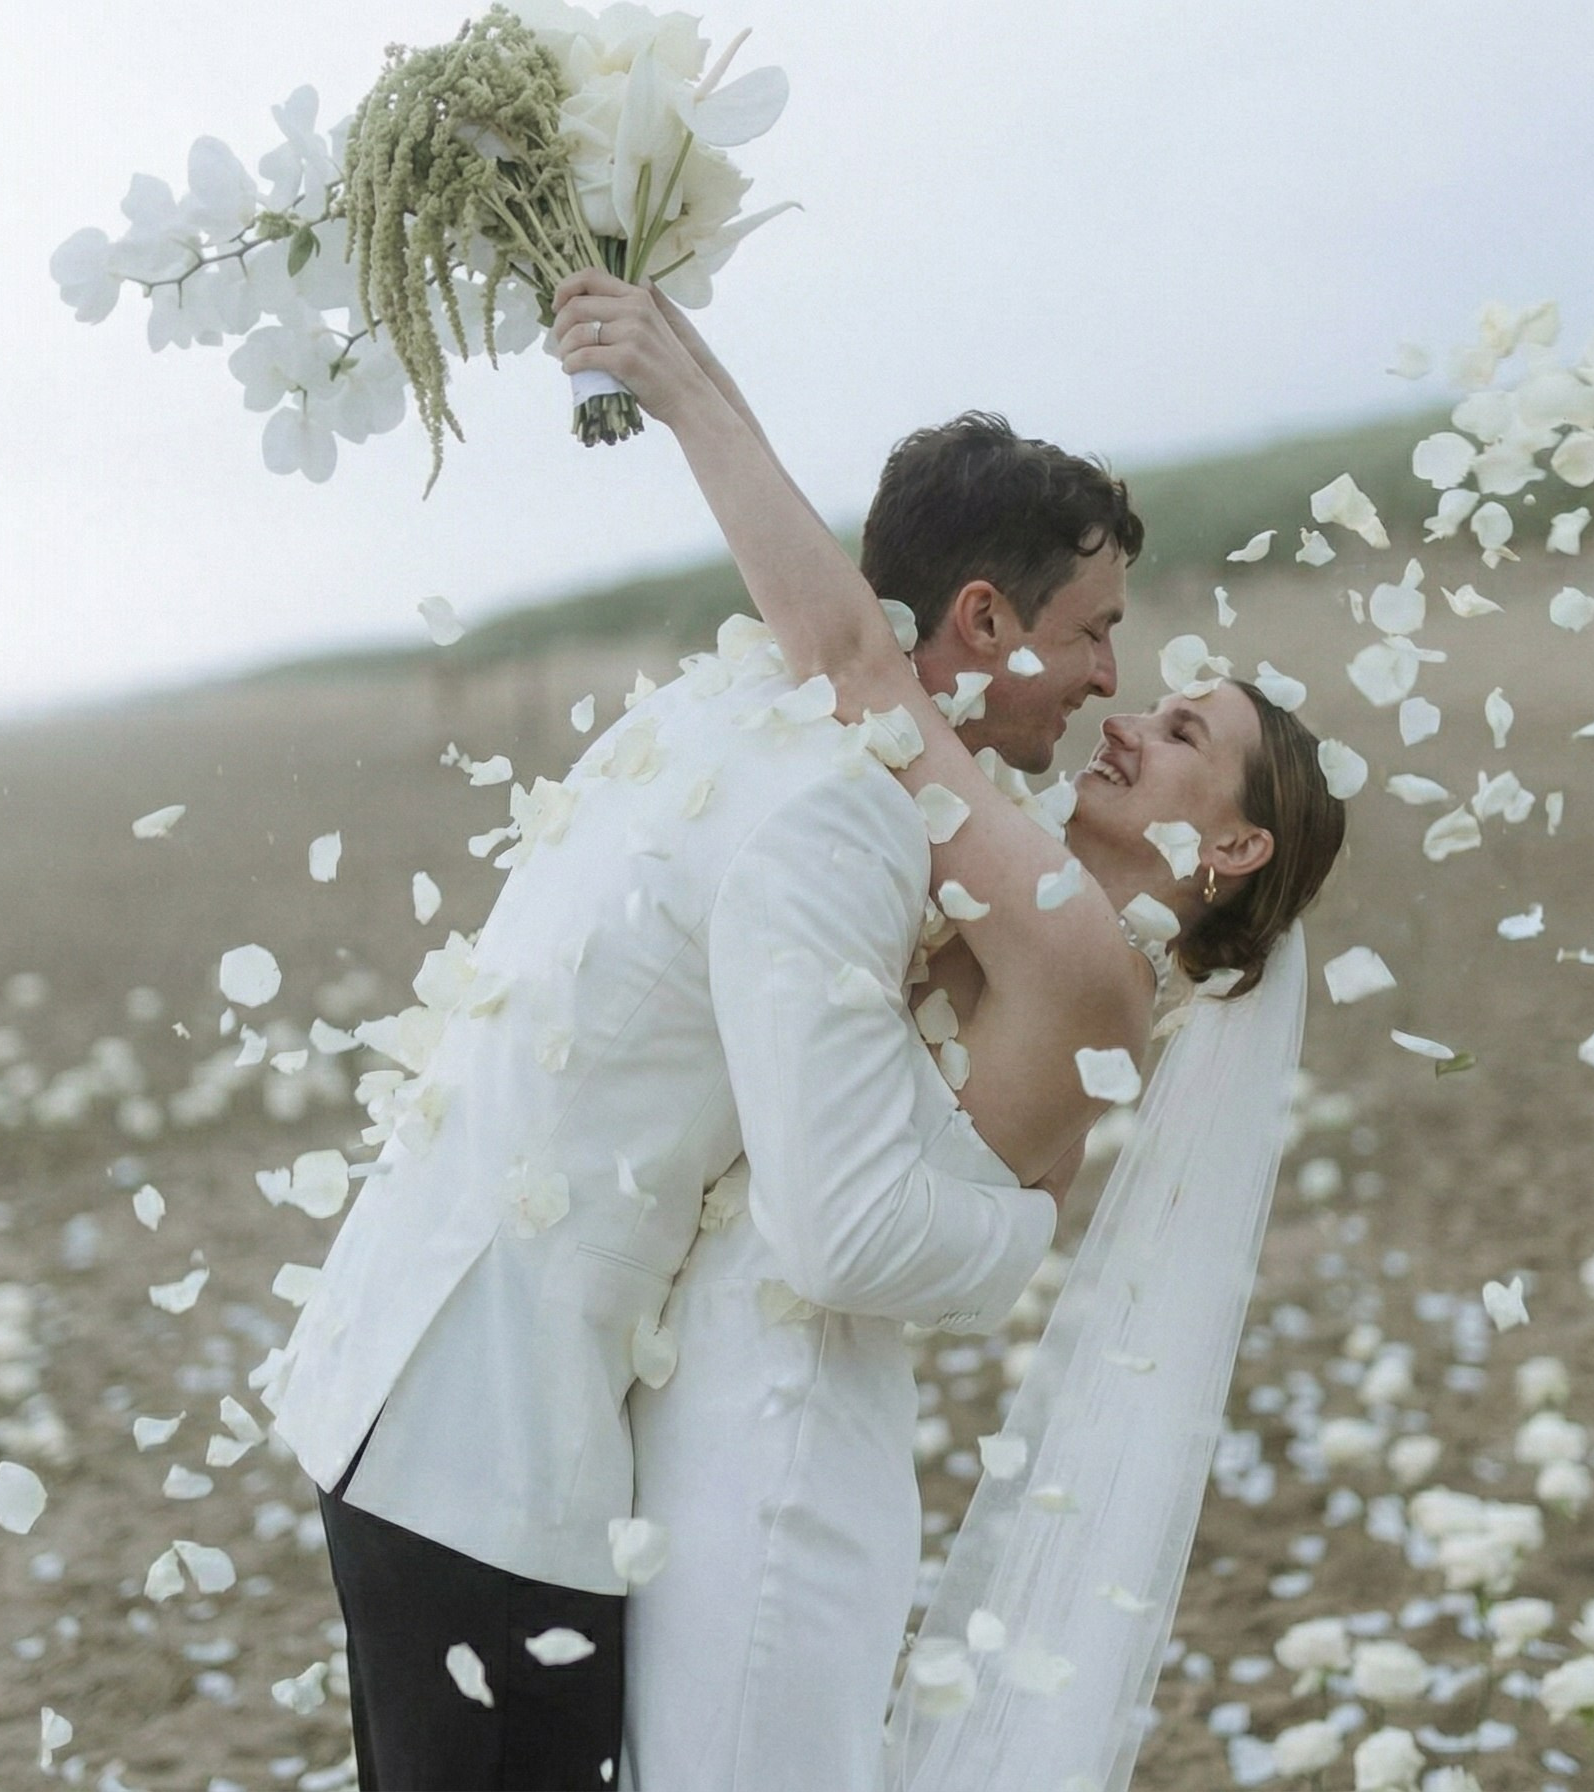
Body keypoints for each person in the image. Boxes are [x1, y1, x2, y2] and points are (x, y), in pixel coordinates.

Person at [257, 358, 1140, 1787]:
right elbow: (839, 1226)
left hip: (409, 1370)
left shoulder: (740, 707)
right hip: (491, 1438)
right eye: (1097, 629)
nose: (1112, 676)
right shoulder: (846, 817)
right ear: (984, 618)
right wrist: (1035, 1212)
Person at [548, 273, 1345, 1789]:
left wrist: (689, 386)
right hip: (732, 1404)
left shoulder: (1082, 955)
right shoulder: (1028, 886)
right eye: (1137, 683)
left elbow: (860, 669)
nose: (1125, 710)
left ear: (1231, 853)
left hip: (782, 1446)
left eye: (1183, 737)